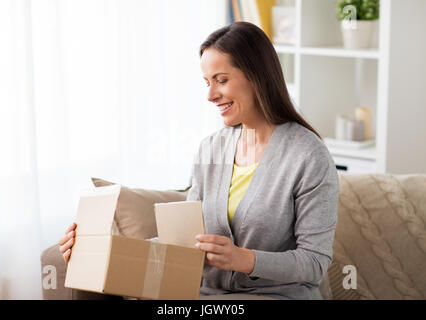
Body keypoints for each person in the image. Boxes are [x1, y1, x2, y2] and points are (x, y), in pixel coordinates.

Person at [59, 21, 339, 300]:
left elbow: (314, 262)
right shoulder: (211, 149)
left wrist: (244, 259)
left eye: (221, 80)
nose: (210, 95)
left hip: (276, 295)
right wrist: (100, 250)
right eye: (207, 82)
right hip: (205, 293)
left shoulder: (308, 155)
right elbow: (184, 242)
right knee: (93, 291)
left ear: (257, 76)